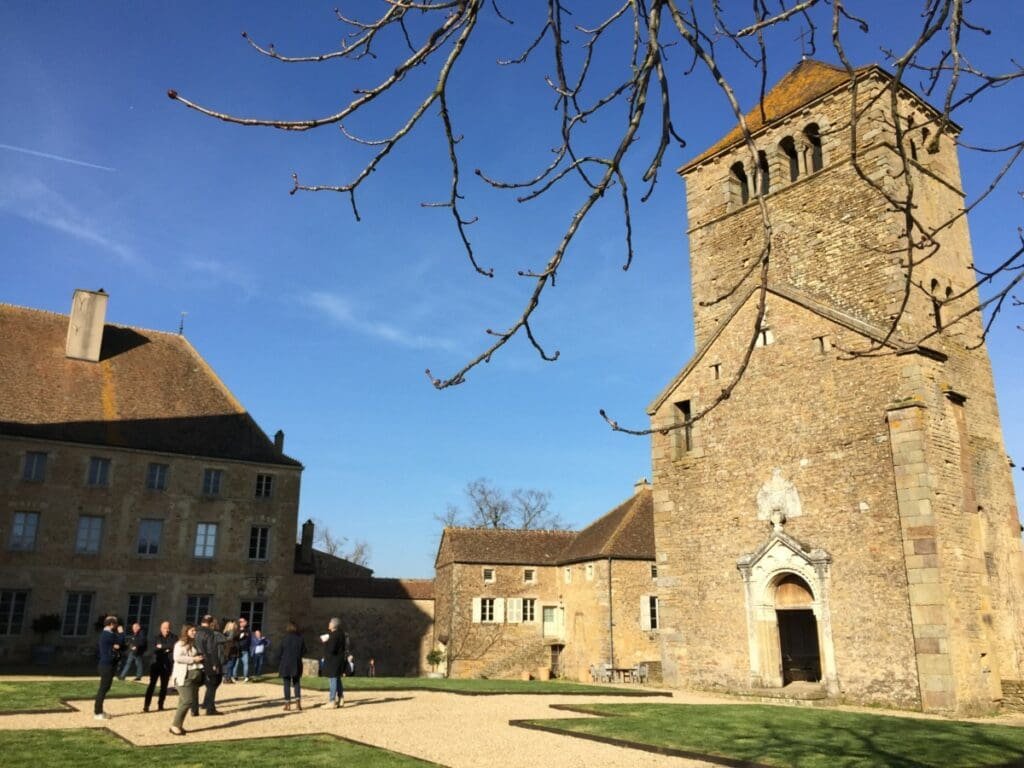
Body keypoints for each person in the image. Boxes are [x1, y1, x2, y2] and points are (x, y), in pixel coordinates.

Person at [169, 623, 204, 736]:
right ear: (186, 632)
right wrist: (193, 659)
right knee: (187, 701)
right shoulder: (180, 644)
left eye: (195, 630)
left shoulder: (193, 644)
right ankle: (175, 726)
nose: (194, 632)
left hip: (192, 677)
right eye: (192, 630)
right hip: (183, 677)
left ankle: (178, 725)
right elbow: (177, 658)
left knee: (183, 702)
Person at [192, 615, 223, 716]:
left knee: (195, 684)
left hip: (196, 659)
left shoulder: (195, 631)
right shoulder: (209, 632)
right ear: (210, 623)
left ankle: (194, 709)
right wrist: (215, 663)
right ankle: (209, 708)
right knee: (213, 683)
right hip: (208, 660)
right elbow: (211, 649)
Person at [144, 620, 176, 712]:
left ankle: (160, 705)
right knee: (152, 685)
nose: (167, 630)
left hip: (167, 664)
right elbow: (152, 649)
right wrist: (166, 648)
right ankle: (146, 705)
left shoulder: (173, 637)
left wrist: (161, 646)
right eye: (165, 628)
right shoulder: (155, 637)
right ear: (161, 628)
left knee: (164, 686)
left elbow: (173, 646)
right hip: (156, 664)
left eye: (168, 628)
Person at [94, 615, 122, 720]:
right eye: (115, 624)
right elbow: (121, 642)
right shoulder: (108, 635)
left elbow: (118, 645)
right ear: (111, 624)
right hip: (106, 665)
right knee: (103, 688)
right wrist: (121, 633)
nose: (116, 626)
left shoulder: (107, 634)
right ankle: (98, 712)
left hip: (106, 664)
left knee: (105, 688)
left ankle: (99, 711)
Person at [278, 621, 306, 711]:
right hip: (296, 662)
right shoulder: (300, 639)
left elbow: (280, 651)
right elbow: (304, 651)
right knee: (296, 683)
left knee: (286, 684)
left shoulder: (285, 638)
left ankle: (287, 704)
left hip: (286, 663)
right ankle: (298, 704)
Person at [321, 616, 347, 708]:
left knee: (333, 679)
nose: (328, 624)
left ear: (333, 625)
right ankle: (341, 698)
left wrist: (325, 642)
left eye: (330, 623)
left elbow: (331, 649)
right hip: (339, 660)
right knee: (337, 679)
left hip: (334, 661)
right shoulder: (341, 634)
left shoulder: (334, 635)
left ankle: (332, 701)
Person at [234, 616, 252, 682]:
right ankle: (235, 676)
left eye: (242, 622)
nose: (241, 623)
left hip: (245, 649)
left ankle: (245, 676)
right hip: (238, 649)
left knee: (245, 663)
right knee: (236, 663)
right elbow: (235, 639)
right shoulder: (237, 630)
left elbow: (249, 640)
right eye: (240, 622)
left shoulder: (247, 630)